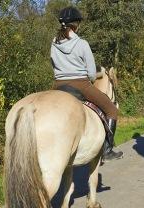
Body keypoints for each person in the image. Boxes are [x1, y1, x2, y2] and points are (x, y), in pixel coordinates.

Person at [50, 6, 122, 161]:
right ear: (76, 24)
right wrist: (98, 74)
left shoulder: (54, 43)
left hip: (57, 86)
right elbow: (91, 74)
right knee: (111, 110)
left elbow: (53, 65)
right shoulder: (82, 44)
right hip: (81, 85)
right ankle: (107, 150)